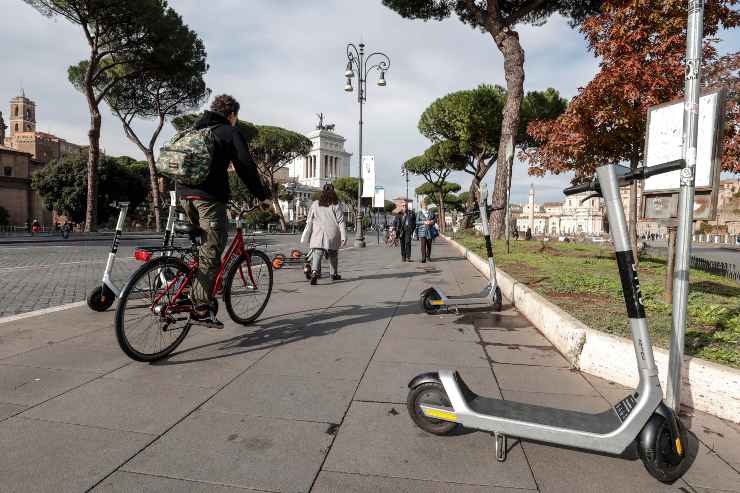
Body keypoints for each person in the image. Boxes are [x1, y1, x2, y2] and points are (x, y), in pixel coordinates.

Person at [179, 94, 270, 328]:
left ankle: (186, 288)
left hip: (183, 195)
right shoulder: (229, 131)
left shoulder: (194, 129)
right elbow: (245, 167)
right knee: (213, 251)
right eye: (235, 118)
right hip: (208, 198)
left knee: (202, 250)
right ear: (232, 115)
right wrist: (262, 195)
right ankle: (200, 308)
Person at [301, 183, 346, 285]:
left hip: (318, 232)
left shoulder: (315, 204)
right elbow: (341, 221)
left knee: (317, 252)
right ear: (333, 192)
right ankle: (333, 274)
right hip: (332, 233)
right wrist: (343, 236)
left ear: (322, 192)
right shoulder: (336, 204)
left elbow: (309, 219)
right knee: (333, 254)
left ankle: (314, 272)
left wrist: (308, 232)